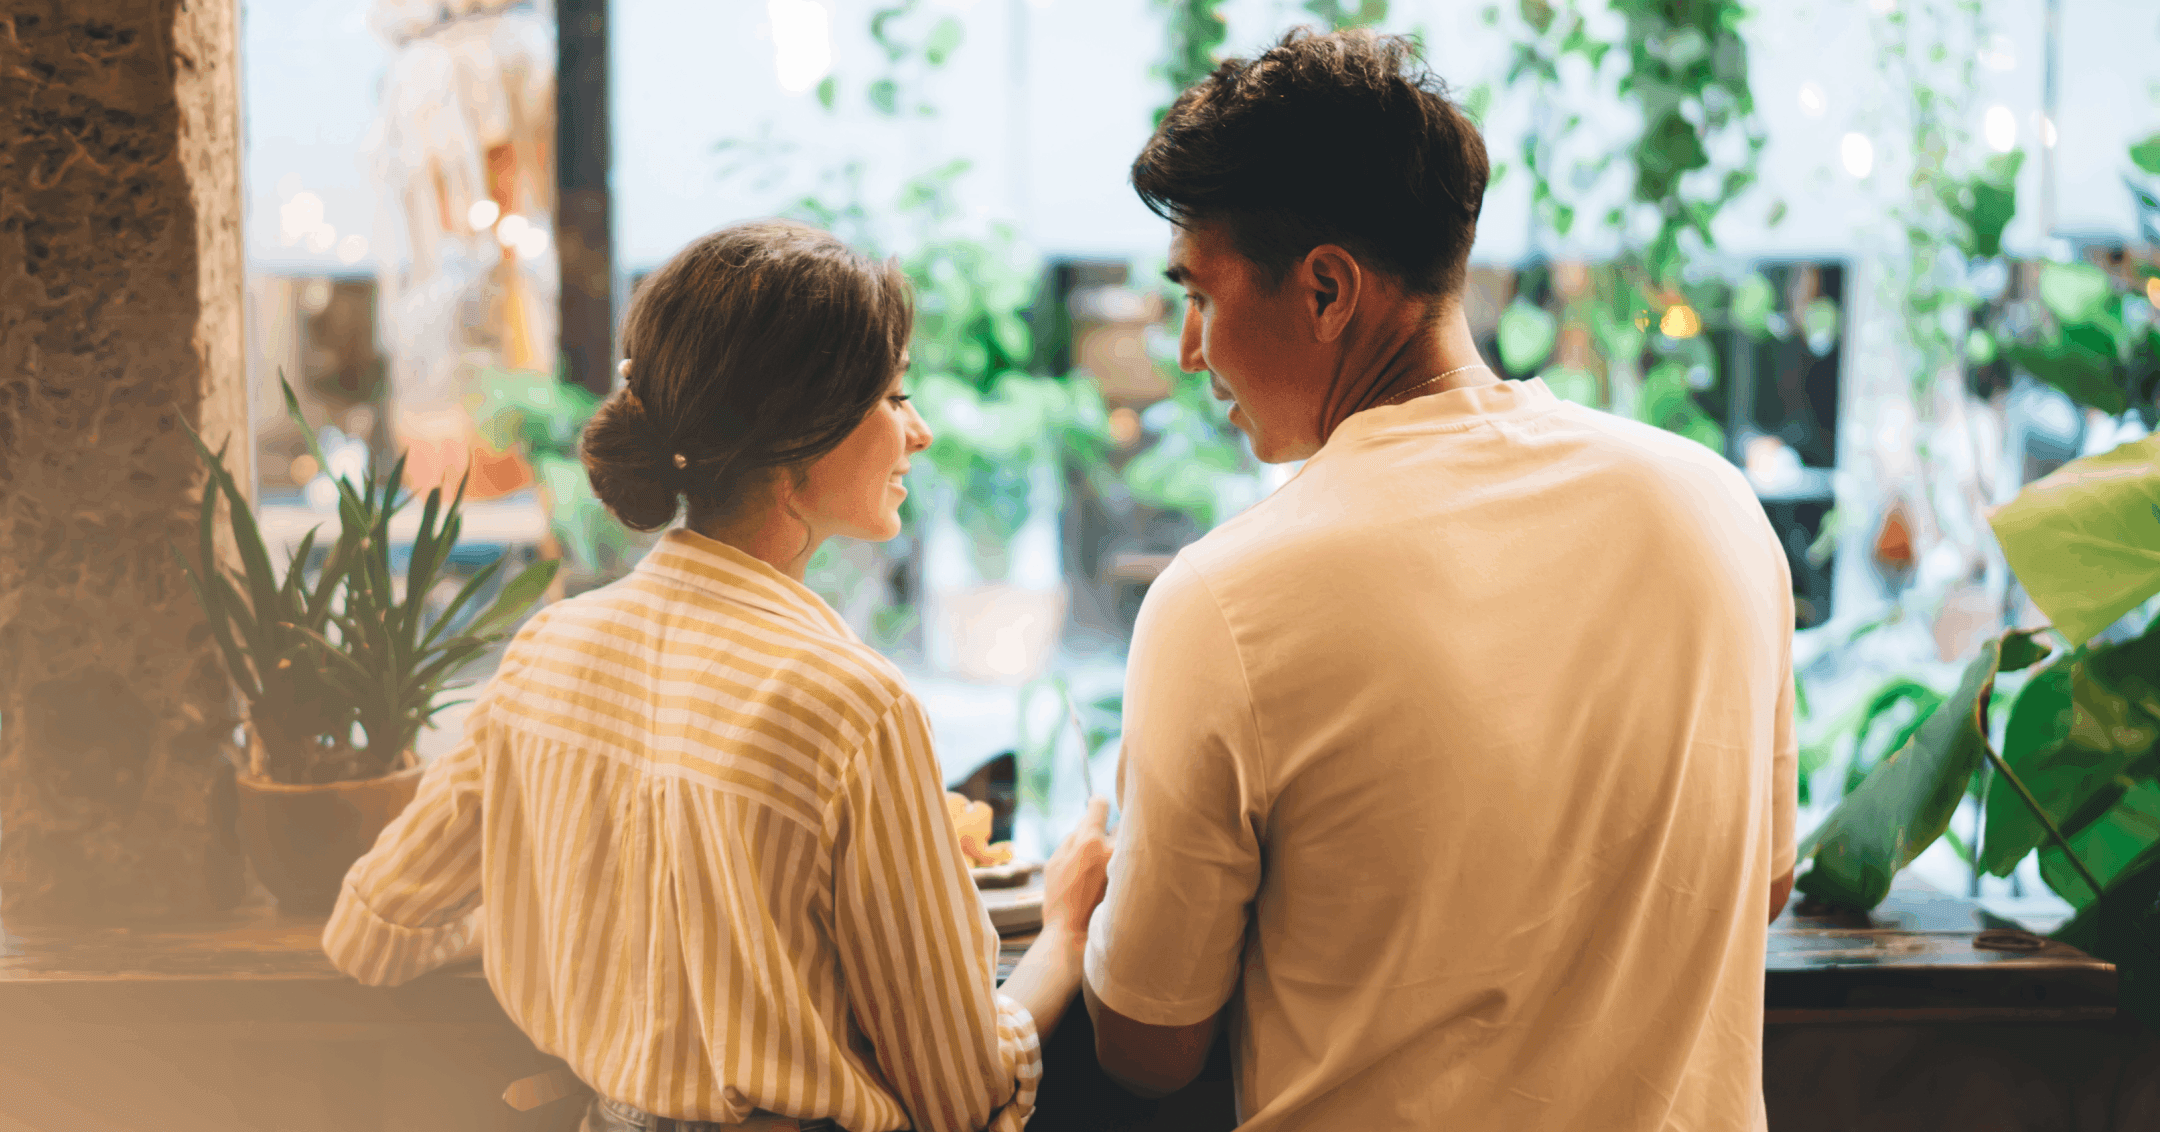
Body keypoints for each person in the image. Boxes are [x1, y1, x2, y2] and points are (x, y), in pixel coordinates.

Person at [1080, 28, 1798, 1131]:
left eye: (1200, 293)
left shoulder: (1228, 601)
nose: (1187, 348)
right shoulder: (1716, 506)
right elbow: (1763, 883)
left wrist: (1077, 905)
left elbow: (1149, 1045)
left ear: (1327, 289)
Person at [323, 219, 1115, 1132]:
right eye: (894, 397)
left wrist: (552, 902)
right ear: (798, 440)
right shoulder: (851, 707)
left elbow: (368, 934)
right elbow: (960, 1090)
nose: (920, 431)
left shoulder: (547, 652)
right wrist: (1062, 931)